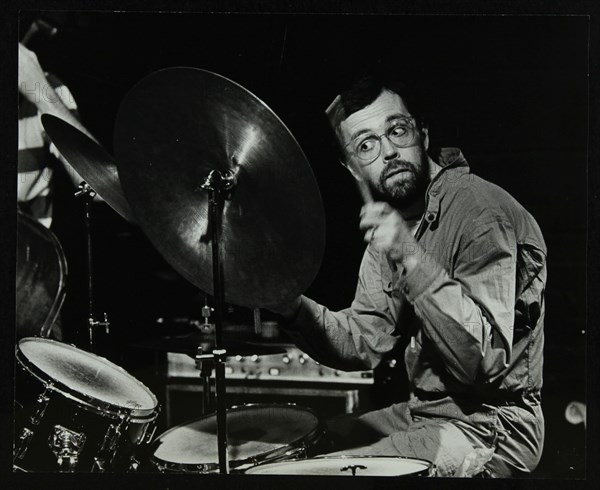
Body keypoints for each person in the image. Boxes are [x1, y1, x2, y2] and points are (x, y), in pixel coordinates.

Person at [269, 76, 546, 477]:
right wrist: (291, 307)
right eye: (367, 145)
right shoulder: (396, 227)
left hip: (492, 426)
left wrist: (409, 255)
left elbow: (484, 364)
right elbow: (363, 341)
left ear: (423, 134)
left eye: (397, 130)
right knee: (298, 451)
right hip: (424, 414)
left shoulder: (481, 212)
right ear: (352, 169)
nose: (389, 152)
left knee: (324, 475)